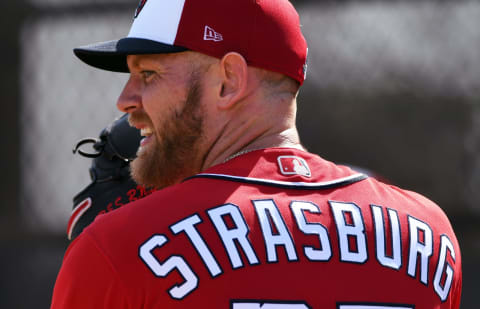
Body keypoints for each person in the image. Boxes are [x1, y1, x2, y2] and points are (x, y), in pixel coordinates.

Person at [51, 0, 462, 308]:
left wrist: (118, 249)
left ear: (229, 80)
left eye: (149, 74)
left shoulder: (119, 248)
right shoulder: (428, 237)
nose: (126, 99)